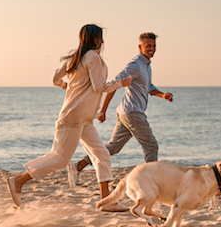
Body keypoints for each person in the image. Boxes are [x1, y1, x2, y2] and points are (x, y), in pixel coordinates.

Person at [6, 24, 132, 210]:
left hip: (83, 118)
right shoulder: (93, 57)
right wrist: (121, 83)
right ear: (95, 39)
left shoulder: (76, 57)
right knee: (60, 158)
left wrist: (67, 87)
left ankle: (107, 201)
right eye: (100, 38)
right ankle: (19, 180)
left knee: (102, 154)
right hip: (73, 117)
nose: (103, 41)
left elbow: (56, 78)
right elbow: (99, 87)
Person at [68, 32, 173, 189]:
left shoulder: (146, 66)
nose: (152, 49)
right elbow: (115, 83)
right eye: (148, 46)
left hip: (125, 112)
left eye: (154, 46)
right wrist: (103, 110)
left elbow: (148, 87)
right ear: (140, 47)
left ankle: (77, 166)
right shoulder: (136, 64)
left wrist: (162, 95)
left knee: (113, 147)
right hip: (132, 113)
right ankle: (152, 181)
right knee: (151, 146)